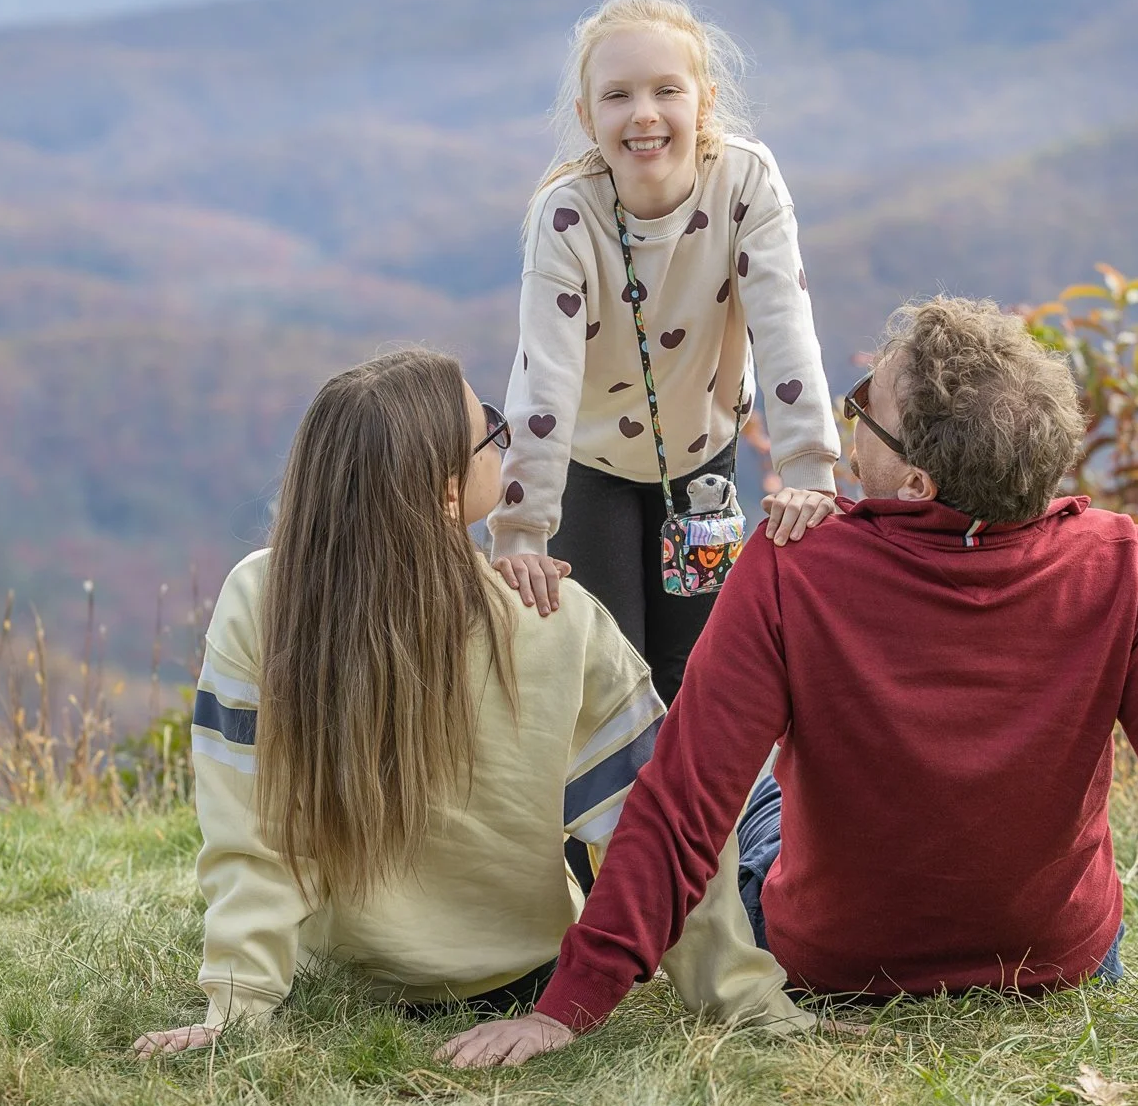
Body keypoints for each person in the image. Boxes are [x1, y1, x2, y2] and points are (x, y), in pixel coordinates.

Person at [440, 297, 1138, 1068]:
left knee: (743, 791)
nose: (844, 421)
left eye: (862, 410)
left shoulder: (795, 569)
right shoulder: (1119, 565)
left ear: (917, 481)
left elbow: (679, 808)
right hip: (1056, 959)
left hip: (835, 966)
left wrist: (565, 1007)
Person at [132, 349, 805, 1058]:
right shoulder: (556, 620)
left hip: (338, 976)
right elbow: (656, 828)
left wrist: (236, 1006)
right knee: (762, 793)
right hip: (519, 980)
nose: (501, 432)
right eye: (490, 429)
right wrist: (742, 999)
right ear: (448, 493)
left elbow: (252, 836)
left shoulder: (260, 599)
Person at [487, 0, 842, 711]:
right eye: (617, 95)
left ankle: (691, 793)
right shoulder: (568, 215)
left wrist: (809, 470)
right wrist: (522, 530)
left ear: (705, 102)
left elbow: (784, 328)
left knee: (697, 674)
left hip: (704, 458)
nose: (644, 113)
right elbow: (544, 382)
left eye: (666, 90)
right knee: (610, 677)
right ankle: (617, 794)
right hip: (590, 466)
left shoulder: (745, 182)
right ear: (587, 118)